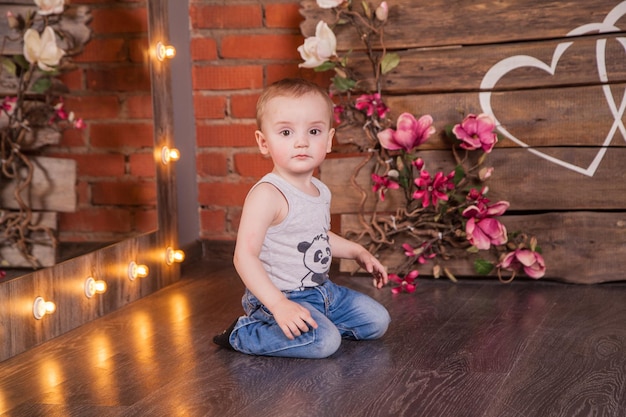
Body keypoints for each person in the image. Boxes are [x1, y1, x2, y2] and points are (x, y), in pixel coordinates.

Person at [213, 78, 391, 359]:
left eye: (314, 131)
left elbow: (315, 237)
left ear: (329, 140)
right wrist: (279, 304)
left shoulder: (320, 190)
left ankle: (313, 323)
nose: (301, 142)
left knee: (376, 321)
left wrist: (358, 251)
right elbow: (244, 256)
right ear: (263, 142)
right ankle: (243, 333)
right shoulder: (267, 195)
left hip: (323, 292)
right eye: (285, 132)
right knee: (324, 342)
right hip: (278, 296)